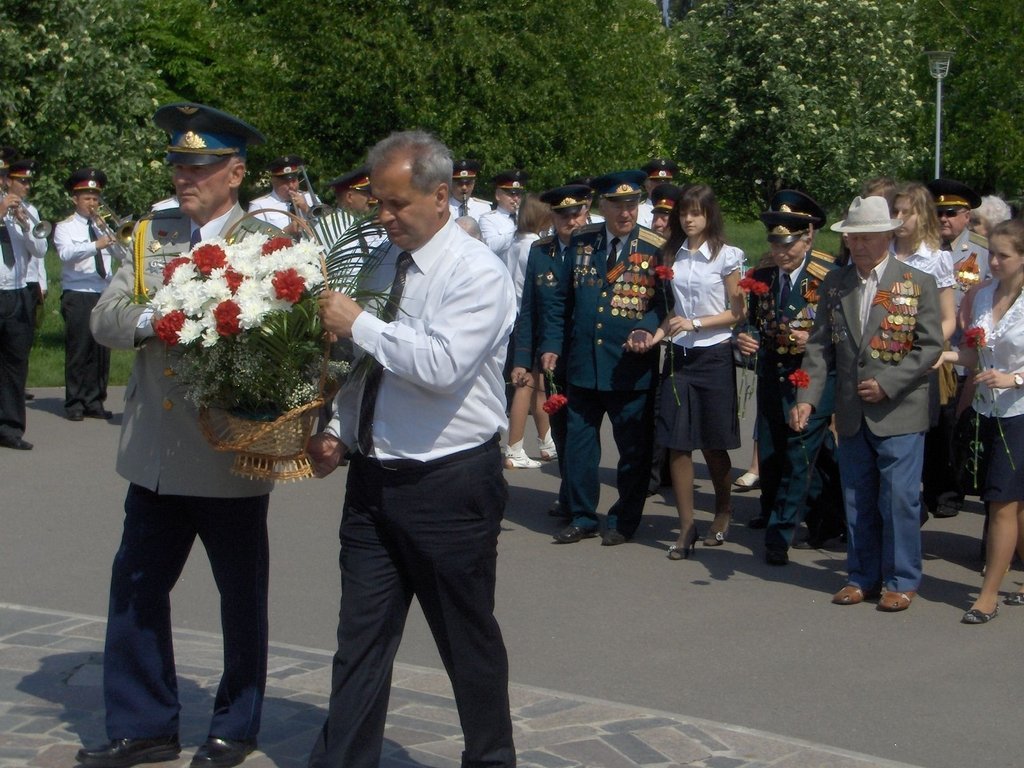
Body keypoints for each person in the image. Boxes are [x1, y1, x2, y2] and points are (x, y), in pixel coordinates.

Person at [306, 130, 517, 768]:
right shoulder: (380, 262)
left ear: (441, 195)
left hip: (448, 484)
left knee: (465, 638)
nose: (385, 217)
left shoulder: (475, 271)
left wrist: (359, 323)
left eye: (398, 204)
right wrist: (338, 431)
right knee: (360, 640)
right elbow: (361, 365)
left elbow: (442, 365)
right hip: (372, 483)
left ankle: (490, 758)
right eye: (378, 204)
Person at [79, 103, 273, 768]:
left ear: (235, 172)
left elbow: (289, 348)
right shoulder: (149, 235)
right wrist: (158, 314)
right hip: (154, 454)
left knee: (239, 597)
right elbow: (105, 318)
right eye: (178, 163)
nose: (184, 175)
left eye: (200, 164)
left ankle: (235, 724)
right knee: (135, 586)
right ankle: (144, 724)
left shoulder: (266, 246)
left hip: (225, 451)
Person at [790, 195, 943, 612]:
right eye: (852, 237)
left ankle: (901, 579)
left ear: (887, 237)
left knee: (898, 499)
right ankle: (861, 575)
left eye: (866, 237)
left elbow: (930, 347)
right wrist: (806, 396)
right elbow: (819, 347)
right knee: (856, 496)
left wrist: (889, 383)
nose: (857, 245)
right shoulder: (836, 285)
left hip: (900, 410)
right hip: (852, 411)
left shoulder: (917, 282)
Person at [540, 170, 668, 546]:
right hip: (583, 363)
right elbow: (559, 301)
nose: (625, 213)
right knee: (579, 445)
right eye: (616, 205)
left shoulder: (655, 246)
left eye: (632, 205)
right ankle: (582, 515)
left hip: (630, 367)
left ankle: (625, 519)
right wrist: (551, 343)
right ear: (602, 206)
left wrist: (646, 327)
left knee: (633, 451)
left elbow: (664, 303)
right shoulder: (582, 240)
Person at [638, 184, 745, 556]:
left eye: (696, 212)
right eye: (684, 212)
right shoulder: (671, 253)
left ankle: (723, 508)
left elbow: (737, 312)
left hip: (714, 355)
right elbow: (674, 311)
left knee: (714, 444)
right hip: (680, 358)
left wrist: (697, 324)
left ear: (710, 215)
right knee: (677, 443)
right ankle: (686, 528)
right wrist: (654, 336)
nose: (689, 218)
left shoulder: (727, 256)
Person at [735, 190, 839, 564]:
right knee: (776, 448)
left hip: (811, 377)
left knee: (800, 455)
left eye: (788, 242)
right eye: (775, 241)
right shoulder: (761, 276)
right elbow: (751, 322)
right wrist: (743, 338)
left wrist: (810, 338)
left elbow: (841, 333)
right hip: (772, 373)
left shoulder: (829, 275)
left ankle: (780, 535)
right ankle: (822, 515)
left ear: (808, 237)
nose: (780, 250)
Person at [941, 219, 1024, 623]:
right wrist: (941, 357)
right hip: (987, 409)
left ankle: (987, 595)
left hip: (1020, 412)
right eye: (991, 251)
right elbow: (974, 355)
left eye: (1003, 255)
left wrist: (1016, 377)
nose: (993, 261)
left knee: (1001, 501)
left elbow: (1009, 368)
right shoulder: (982, 294)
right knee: (1013, 502)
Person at [511, 184, 592, 515]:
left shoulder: (596, 249)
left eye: (576, 214)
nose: (570, 222)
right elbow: (530, 308)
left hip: (588, 354)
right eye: (563, 216)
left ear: (586, 213)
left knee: (582, 433)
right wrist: (520, 359)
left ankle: (581, 503)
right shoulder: (541, 251)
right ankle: (570, 494)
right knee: (560, 431)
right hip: (550, 356)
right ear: (552, 217)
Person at [890, 182, 958, 519]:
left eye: (907, 212)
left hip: (920, 358)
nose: (900, 218)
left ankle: (913, 505)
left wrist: (927, 349)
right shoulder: (881, 250)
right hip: (882, 355)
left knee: (917, 437)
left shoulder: (935, 257)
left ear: (922, 215)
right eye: (895, 211)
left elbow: (949, 319)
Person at [927, 178, 990, 516]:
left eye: (950, 212)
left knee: (956, 425)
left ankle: (953, 490)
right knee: (933, 424)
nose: (943, 219)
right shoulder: (924, 250)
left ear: (967, 215)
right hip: (930, 353)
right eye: (937, 212)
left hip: (965, 356)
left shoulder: (982, 252)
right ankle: (935, 490)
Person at [53, 168, 117, 422]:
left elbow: (121, 256)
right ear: (75, 200)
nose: (92, 203)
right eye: (87, 198)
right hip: (78, 292)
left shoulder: (103, 227)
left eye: (95, 198)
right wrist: (95, 245)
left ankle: (95, 400)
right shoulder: (64, 227)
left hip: (102, 290)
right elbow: (65, 254)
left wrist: (115, 239)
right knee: (79, 349)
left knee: (101, 350)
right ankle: (75, 402)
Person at [0, 157, 47, 450]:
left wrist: (23, 223)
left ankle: (10, 428)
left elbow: (41, 250)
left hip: (17, 293)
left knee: (15, 364)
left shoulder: (26, 210)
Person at [503, 192, 553, 469]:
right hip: (530, 318)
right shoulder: (535, 245)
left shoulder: (514, 243)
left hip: (518, 317)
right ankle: (514, 448)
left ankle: (546, 441)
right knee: (527, 385)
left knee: (539, 385)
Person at [248, 155, 315, 236]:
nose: (291, 185)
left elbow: (327, 226)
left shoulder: (310, 198)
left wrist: (307, 209)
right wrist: (285, 232)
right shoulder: (259, 206)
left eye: (294, 180)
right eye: (285, 181)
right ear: (274, 181)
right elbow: (255, 240)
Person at [479, 168, 526, 265]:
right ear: (498, 196)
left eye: (519, 194)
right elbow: (491, 246)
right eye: (511, 194)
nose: (516, 199)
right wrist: (519, 229)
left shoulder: (525, 216)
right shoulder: (488, 219)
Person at [639, 158, 678, 229]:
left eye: (666, 181)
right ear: (647, 184)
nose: (662, 185)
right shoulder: (638, 212)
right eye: (657, 181)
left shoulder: (678, 209)